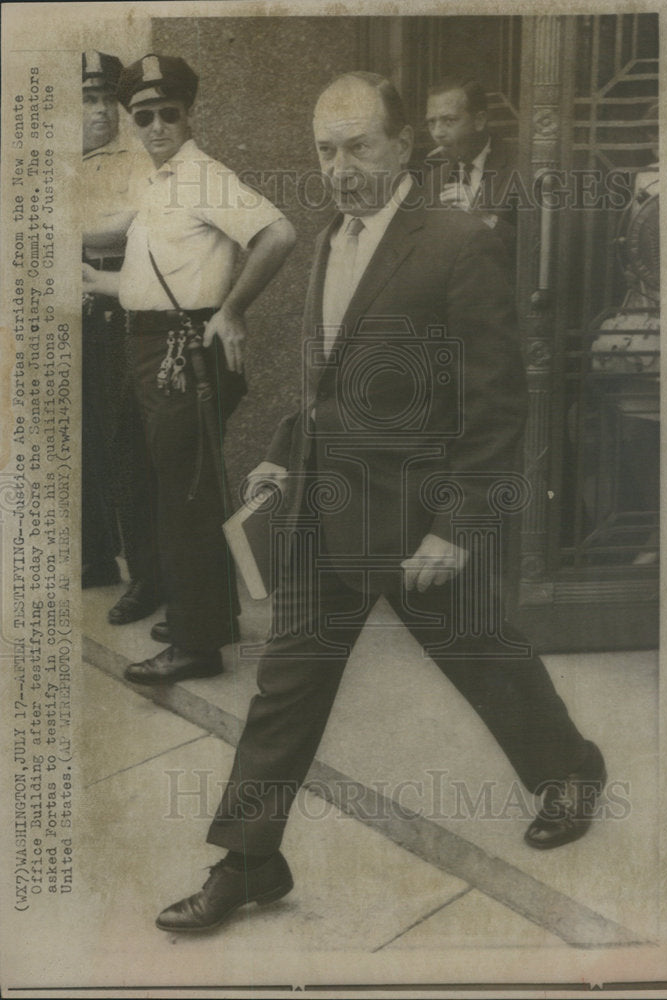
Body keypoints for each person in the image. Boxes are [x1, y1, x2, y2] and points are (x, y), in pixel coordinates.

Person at [155, 72, 606, 934]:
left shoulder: (459, 242)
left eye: (358, 146)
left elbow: (496, 403)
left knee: (482, 656)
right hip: (328, 512)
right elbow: (325, 384)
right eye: (325, 150)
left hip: (419, 521)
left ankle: (571, 768)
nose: (340, 167)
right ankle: (249, 860)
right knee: (285, 688)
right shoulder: (331, 239)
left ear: (404, 146)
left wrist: (457, 528)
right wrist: (286, 460)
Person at [83, 53, 295, 683]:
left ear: (187, 113)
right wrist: (99, 279)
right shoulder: (162, 181)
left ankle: (197, 646)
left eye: (167, 113)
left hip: (184, 351)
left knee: (185, 498)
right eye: (142, 116)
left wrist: (232, 311)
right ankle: (210, 617)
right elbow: (151, 276)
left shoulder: (202, 176)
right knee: (182, 490)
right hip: (156, 344)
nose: (154, 126)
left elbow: (278, 234)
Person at [81, 50, 161, 627]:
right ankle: (94, 558)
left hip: (118, 313)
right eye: (87, 99)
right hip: (74, 312)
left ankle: (145, 576)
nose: (100, 112)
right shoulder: (63, 161)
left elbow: (120, 226)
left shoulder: (135, 159)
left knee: (126, 446)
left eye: (107, 99)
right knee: (82, 441)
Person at [424, 76, 518, 257]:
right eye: (431, 122)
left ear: (479, 121)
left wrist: (484, 218)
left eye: (449, 121)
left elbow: (537, 251)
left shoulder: (521, 167)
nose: (437, 133)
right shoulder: (435, 178)